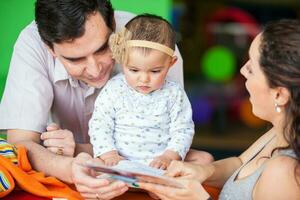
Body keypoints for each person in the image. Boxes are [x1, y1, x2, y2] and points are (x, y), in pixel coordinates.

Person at [0, 0, 213, 199]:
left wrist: (168, 161)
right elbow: (19, 142)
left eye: (103, 48)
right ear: (50, 48)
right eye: (75, 59)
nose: (94, 70)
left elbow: (175, 130)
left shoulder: (154, 43)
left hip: (146, 155)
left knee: (202, 161)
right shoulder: (32, 45)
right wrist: (67, 167)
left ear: (113, 25)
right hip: (76, 155)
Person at [138, 19, 300, 200]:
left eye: (252, 68)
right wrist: (203, 171)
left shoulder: (284, 171)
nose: (242, 70)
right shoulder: (283, 131)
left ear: (279, 95)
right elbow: (240, 164)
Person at [89, 14, 210, 169]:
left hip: (159, 164)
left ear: (170, 63)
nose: (144, 79)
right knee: (89, 163)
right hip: (119, 161)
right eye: (134, 70)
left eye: (155, 71)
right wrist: (108, 153)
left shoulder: (173, 93)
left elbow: (183, 129)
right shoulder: (114, 89)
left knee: (205, 159)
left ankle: (158, 184)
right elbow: (100, 123)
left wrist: (168, 156)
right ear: (122, 59)